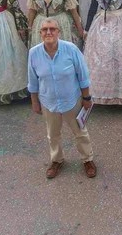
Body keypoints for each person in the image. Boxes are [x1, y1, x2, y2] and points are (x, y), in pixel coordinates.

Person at [28, 18, 97, 179]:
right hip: (48, 102)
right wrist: (34, 102)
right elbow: (32, 80)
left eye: (52, 29)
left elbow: (83, 76)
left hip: (72, 100)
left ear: (59, 32)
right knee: (53, 134)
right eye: (45, 29)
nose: (49, 32)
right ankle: (56, 160)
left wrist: (86, 98)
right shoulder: (34, 53)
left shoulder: (71, 49)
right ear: (40, 33)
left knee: (80, 132)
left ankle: (88, 160)